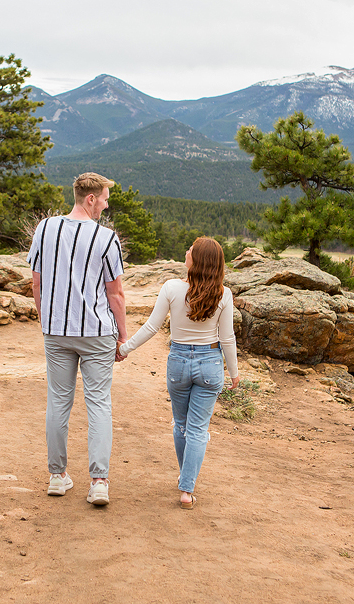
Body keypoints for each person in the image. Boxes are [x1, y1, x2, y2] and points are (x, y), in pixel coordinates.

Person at [28, 172, 128, 507]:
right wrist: (122, 335)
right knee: (98, 403)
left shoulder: (45, 228)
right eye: (104, 199)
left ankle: (57, 476)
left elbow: (36, 282)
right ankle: (98, 482)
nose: (106, 204)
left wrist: (47, 322)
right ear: (90, 199)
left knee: (58, 401)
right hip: (97, 331)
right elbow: (115, 294)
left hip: (56, 330)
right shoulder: (106, 238)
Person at [118, 237, 239, 509]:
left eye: (191, 250)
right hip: (210, 362)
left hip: (179, 361)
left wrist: (125, 349)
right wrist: (234, 373)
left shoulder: (171, 288)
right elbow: (227, 338)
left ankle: (186, 479)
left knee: (181, 424)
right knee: (198, 429)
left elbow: (151, 327)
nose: (186, 252)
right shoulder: (224, 294)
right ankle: (187, 488)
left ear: (197, 260)